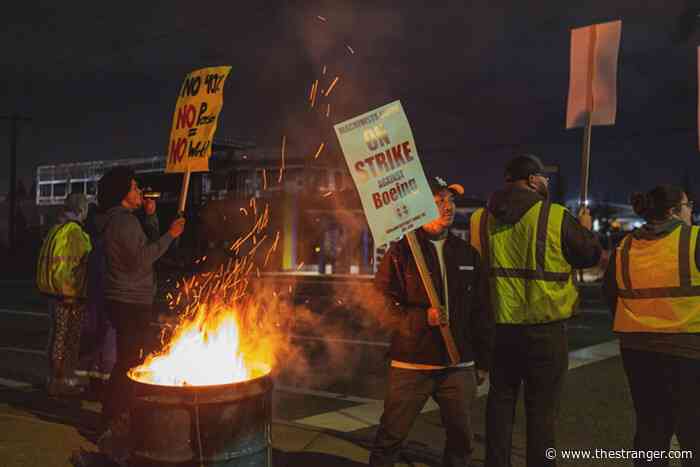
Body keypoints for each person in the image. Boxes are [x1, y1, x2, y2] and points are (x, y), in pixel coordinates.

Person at [471, 154, 601, 467]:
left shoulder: (481, 218)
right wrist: (585, 228)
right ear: (532, 180)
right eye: (544, 178)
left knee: (499, 405)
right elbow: (589, 255)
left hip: (499, 329)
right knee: (542, 413)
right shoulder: (554, 215)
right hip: (545, 331)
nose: (546, 183)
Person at [369, 176, 491, 467]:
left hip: (457, 365)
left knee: (462, 440)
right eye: (438, 201)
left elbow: (482, 311)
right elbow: (380, 305)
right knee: (390, 437)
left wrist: (483, 360)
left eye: (450, 200)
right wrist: (422, 317)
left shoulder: (467, 254)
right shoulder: (401, 252)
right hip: (412, 364)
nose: (447, 207)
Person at [603, 185, 700, 467]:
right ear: (673, 211)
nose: (690, 210)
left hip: (638, 350)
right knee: (693, 432)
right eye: (688, 205)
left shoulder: (625, 246)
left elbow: (610, 294)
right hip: (688, 349)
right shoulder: (694, 240)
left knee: (650, 428)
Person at [96, 167, 185, 444]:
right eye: (134, 188)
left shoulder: (126, 221)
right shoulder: (123, 223)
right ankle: (116, 416)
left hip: (128, 297)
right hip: (130, 300)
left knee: (129, 359)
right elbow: (143, 257)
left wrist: (151, 217)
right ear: (123, 193)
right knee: (129, 362)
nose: (139, 192)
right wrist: (170, 234)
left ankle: (115, 413)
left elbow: (145, 244)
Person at [37, 193, 92, 397]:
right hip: (70, 296)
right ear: (81, 209)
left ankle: (53, 378)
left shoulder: (56, 229)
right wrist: (71, 293)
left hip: (53, 293)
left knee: (56, 336)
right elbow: (71, 265)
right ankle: (64, 380)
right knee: (69, 338)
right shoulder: (74, 232)